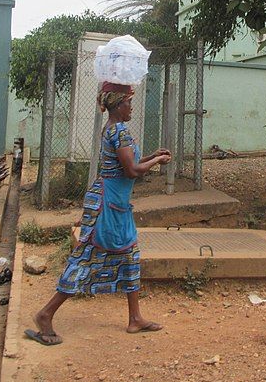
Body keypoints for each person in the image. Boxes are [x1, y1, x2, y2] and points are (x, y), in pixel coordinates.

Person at [25, 82, 171, 346]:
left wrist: (152, 155)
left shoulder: (112, 130)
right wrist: (158, 162)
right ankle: (46, 314)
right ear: (117, 105)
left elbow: (127, 164)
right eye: (128, 102)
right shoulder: (120, 132)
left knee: (130, 256)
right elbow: (132, 171)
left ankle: (135, 318)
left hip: (113, 203)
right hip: (109, 205)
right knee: (85, 259)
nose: (131, 107)